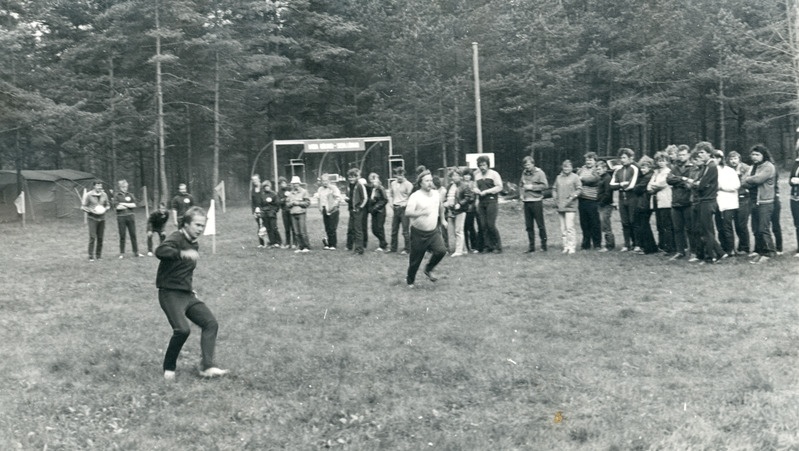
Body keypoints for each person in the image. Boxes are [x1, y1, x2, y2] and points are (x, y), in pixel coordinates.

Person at [156, 206, 228, 380]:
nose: (200, 229)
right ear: (186, 224)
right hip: (170, 294)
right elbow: (160, 251)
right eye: (196, 225)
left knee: (210, 323)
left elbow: (183, 270)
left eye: (202, 226)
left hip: (186, 294)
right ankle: (169, 369)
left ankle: (207, 367)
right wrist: (182, 253)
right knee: (182, 330)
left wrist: (189, 288)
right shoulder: (176, 237)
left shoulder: (194, 243)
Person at [405, 170, 448, 287]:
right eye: (426, 181)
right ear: (420, 183)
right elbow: (408, 212)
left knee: (441, 251)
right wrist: (420, 213)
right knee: (415, 260)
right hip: (418, 233)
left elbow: (441, 206)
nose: (430, 183)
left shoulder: (435, 194)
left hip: (433, 232)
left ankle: (428, 269)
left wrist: (443, 219)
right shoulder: (415, 196)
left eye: (431, 180)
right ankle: (410, 281)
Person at [690, 142, 724, 263]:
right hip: (704, 200)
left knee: (707, 230)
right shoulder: (706, 166)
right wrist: (696, 183)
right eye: (699, 153)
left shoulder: (711, 166)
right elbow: (697, 182)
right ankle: (719, 253)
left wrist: (696, 184)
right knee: (704, 229)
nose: (700, 155)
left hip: (708, 201)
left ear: (709, 153)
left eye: (702, 152)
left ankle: (711, 257)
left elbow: (701, 184)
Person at [743, 144, 777, 264]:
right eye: (752, 154)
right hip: (753, 201)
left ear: (763, 155)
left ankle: (769, 252)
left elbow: (758, 179)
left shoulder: (769, 166)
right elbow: (743, 182)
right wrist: (749, 179)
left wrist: (749, 179)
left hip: (765, 202)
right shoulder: (753, 167)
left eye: (757, 154)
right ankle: (761, 252)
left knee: (764, 228)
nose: (754, 157)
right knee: (756, 229)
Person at [667, 145, 695, 260]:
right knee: (677, 228)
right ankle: (680, 251)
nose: (681, 157)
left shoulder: (692, 167)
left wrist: (678, 180)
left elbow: (691, 184)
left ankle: (693, 251)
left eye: (683, 154)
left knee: (690, 228)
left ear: (688, 155)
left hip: (688, 202)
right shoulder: (674, 167)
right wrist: (683, 179)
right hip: (676, 201)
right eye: (679, 155)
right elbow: (669, 180)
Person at [610, 148, 639, 251]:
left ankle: (636, 244)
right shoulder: (618, 170)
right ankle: (627, 244)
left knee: (633, 220)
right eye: (621, 157)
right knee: (624, 222)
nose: (622, 160)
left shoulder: (634, 168)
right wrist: (621, 184)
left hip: (632, 197)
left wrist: (621, 186)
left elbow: (632, 185)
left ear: (630, 158)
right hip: (622, 198)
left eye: (624, 157)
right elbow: (611, 185)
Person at [472, 155, 503, 253]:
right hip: (481, 202)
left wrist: (487, 191)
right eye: (480, 165)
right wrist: (476, 190)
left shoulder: (494, 174)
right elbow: (474, 187)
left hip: (491, 201)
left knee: (491, 224)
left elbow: (499, 187)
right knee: (483, 225)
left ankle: (497, 246)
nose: (482, 167)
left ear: (488, 165)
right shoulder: (477, 176)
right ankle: (487, 246)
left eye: (484, 165)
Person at [519, 156, 549, 253]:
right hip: (526, 202)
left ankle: (543, 246)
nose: (526, 167)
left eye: (528, 164)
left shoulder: (540, 173)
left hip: (536, 201)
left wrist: (532, 187)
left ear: (533, 164)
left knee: (540, 225)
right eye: (525, 165)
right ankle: (531, 247)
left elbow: (545, 186)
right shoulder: (524, 173)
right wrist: (521, 194)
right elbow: (520, 185)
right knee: (529, 226)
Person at [714, 150, 740, 257]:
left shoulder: (729, 171)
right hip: (716, 202)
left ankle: (731, 249)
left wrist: (721, 187)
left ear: (720, 159)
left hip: (729, 202)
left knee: (727, 226)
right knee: (719, 226)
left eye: (715, 158)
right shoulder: (712, 170)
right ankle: (723, 247)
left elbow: (736, 185)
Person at [552, 160, 581, 254]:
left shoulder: (575, 177)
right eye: (565, 167)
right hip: (560, 206)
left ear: (571, 167)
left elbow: (579, 189)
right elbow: (554, 189)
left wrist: (572, 196)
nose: (566, 169)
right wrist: (555, 198)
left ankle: (572, 246)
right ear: (562, 167)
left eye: (568, 167)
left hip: (570, 205)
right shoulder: (558, 177)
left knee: (570, 227)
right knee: (563, 228)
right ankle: (566, 246)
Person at [647, 151, 674, 255]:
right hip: (656, 200)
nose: (661, 163)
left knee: (667, 225)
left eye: (663, 161)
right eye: (659, 161)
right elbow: (649, 186)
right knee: (659, 224)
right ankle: (662, 245)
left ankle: (669, 247)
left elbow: (663, 183)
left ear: (667, 161)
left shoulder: (668, 171)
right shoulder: (655, 172)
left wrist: (654, 186)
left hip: (665, 200)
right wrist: (653, 186)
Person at [631, 156, 658, 254]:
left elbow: (638, 189)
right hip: (643, 203)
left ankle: (649, 248)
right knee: (643, 225)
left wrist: (636, 187)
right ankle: (648, 246)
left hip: (645, 204)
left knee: (644, 225)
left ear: (650, 167)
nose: (642, 170)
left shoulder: (648, 176)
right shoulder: (646, 176)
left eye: (644, 167)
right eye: (641, 167)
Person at [727, 151, 751, 255]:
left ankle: (745, 247)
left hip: (744, 198)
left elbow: (745, 181)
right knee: (736, 224)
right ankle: (740, 247)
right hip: (733, 198)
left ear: (739, 159)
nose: (733, 161)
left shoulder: (746, 168)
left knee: (742, 224)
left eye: (735, 158)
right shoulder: (728, 169)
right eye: (731, 159)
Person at [577, 152, 602, 250]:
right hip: (582, 199)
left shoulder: (597, 170)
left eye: (591, 160)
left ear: (595, 161)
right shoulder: (581, 170)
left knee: (594, 223)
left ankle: (597, 244)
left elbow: (594, 179)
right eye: (587, 160)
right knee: (584, 223)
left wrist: (581, 178)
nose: (588, 162)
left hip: (592, 200)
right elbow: (576, 180)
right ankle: (586, 244)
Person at [81, 180, 110, 261]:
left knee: (100, 238)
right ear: (94, 186)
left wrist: (105, 209)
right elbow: (83, 207)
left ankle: (98, 255)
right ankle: (90, 256)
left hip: (102, 218)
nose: (99, 187)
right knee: (92, 237)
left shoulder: (104, 194)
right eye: (98, 186)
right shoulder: (89, 195)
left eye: (100, 186)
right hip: (92, 218)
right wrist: (91, 210)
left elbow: (108, 205)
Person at [113, 179, 143, 258]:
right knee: (122, 235)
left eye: (126, 187)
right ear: (120, 187)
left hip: (130, 217)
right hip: (121, 218)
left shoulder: (130, 195)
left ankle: (136, 252)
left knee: (133, 234)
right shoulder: (117, 195)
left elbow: (135, 205)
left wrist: (123, 203)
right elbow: (117, 207)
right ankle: (122, 253)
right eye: (123, 187)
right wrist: (128, 205)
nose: (125, 188)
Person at [388, 167, 413, 254]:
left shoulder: (408, 184)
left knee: (405, 230)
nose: (400, 177)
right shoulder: (393, 184)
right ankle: (393, 248)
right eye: (398, 175)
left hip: (403, 209)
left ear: (404, 175)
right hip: (395, 208)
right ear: (395, 175)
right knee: (394, 229)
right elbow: (390, 194)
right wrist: (391, 202)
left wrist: (405, 203)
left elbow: (411, 197)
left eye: (401, 175)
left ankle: (407, 249)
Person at [445, 168, 467, 257]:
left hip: (460, 211)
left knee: (458, 230)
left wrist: (460, 204)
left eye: (456, 175)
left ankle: (459, 251)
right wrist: (445, 202)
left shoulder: (464, 186)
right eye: (453, 175)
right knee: (454, 231)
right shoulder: (450, 186)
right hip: (451, 210)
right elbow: (447, 196)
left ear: (460, 176)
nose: (454, 177)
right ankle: (463, 249)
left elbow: (468, 197)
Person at [285, 176, 311, 252]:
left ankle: (306, 246)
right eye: (293, 183)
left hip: (301, 213)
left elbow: (307, 203)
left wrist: (298, 203)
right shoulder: (290, 193)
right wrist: (291, 203)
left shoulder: (304, 192)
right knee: (296, 232)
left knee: (302, 231)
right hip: (293, 213)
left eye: (296, 183)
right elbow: (287, 203)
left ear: (299, 183)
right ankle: (300, 246)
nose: (295, 185)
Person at [316, 174, 342, 250]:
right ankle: (328, 243)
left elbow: (338, 198)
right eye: (323, 181)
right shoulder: (320, 189)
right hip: (324, 209)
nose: (325, 182)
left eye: (326, 181)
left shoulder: (333, 188)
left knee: (332, 227)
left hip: (333, 209)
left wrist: (334, 206)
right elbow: (319, 199)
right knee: (327, 227)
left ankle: (333, 244)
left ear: (329, 181)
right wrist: (320, 207)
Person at [346, 168, 368, 254]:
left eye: (353, 177)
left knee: (358, 230)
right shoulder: (349, 185)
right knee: (351, 229)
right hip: (351, 209)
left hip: (358, 210)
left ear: (356, 177)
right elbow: (350, 196)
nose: (351, 179)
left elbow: (365, 198)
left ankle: (359, 249)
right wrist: (347, 199)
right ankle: (352, 246)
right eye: (349, 177)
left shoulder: (360, 185)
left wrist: (360, 207)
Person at [596, 160, 616, 251]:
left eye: (599, 169)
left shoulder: (607, 178)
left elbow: (608, 193)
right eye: (597, 169)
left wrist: (601, 202)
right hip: (601, 204)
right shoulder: (601, 178)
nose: (598, 171)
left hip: (606, 205)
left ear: (605, 169)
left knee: (606, 224)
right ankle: (608, 244)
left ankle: (609, 245)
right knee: (603, 224)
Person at [367, 172, 389, 252]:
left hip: (380, 211)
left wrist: (376, 207)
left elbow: (385, 200)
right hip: (374, 212)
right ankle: (383, 242)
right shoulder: (372, 189)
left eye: (374, 179)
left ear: (378, 179)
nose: (373, 182)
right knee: (374, 229)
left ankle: (383, 245)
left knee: (379, 228)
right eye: (371, 180)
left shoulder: (381, 188)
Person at [258, 180, 282, 248]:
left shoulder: (274, 194)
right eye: (265, 186)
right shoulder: (262, 195)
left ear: (270, 186)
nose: (267, 187)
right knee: (268, 228)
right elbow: (260, 204)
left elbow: (277, 204)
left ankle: (278, 242)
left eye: (268, 186)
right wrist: (261, 211)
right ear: (263, 187)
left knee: (274, 227)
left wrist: (274, 211)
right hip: (265, 214)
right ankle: (272, 242)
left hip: (272, 213)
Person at [461, 170, 480, 253]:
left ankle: (474, 246)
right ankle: (466, 247)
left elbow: (475, 194)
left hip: (471, 208)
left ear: (471, 176)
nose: (467, 177)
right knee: (464, 228)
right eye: (465, 175)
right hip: (463, 207)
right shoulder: (461, 184)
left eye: (468, 175)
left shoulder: (473, 183)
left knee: (471, 227)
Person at [278, 177, 295, 249]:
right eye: (282, 183)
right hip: (284, 211)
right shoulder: (279, 192)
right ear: (280, 184)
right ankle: (288, 243)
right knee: (287, 228)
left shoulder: (290, 189)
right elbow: (279, 202)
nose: (283, 184)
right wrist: (284, 199)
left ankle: (295, 242)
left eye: (284, 182)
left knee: (293, 227)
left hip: (291, 210)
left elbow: (293, 198)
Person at [250, 174, 267, 248]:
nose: (255, 181)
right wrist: (253, 211)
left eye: (256, 179)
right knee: (259, 226)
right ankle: (261, 243)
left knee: (265, 225)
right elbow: (252, 202)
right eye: (253, 180)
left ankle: (268, 242)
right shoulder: (253, 190)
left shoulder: (263, 188)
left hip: (264, 209)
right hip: (256, 210)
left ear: (259, 179)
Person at [789, 150, 799, 257]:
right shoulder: (796, 163)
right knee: (798, 223)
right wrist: (793, 181)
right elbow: (790, 180)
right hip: (795, 197)